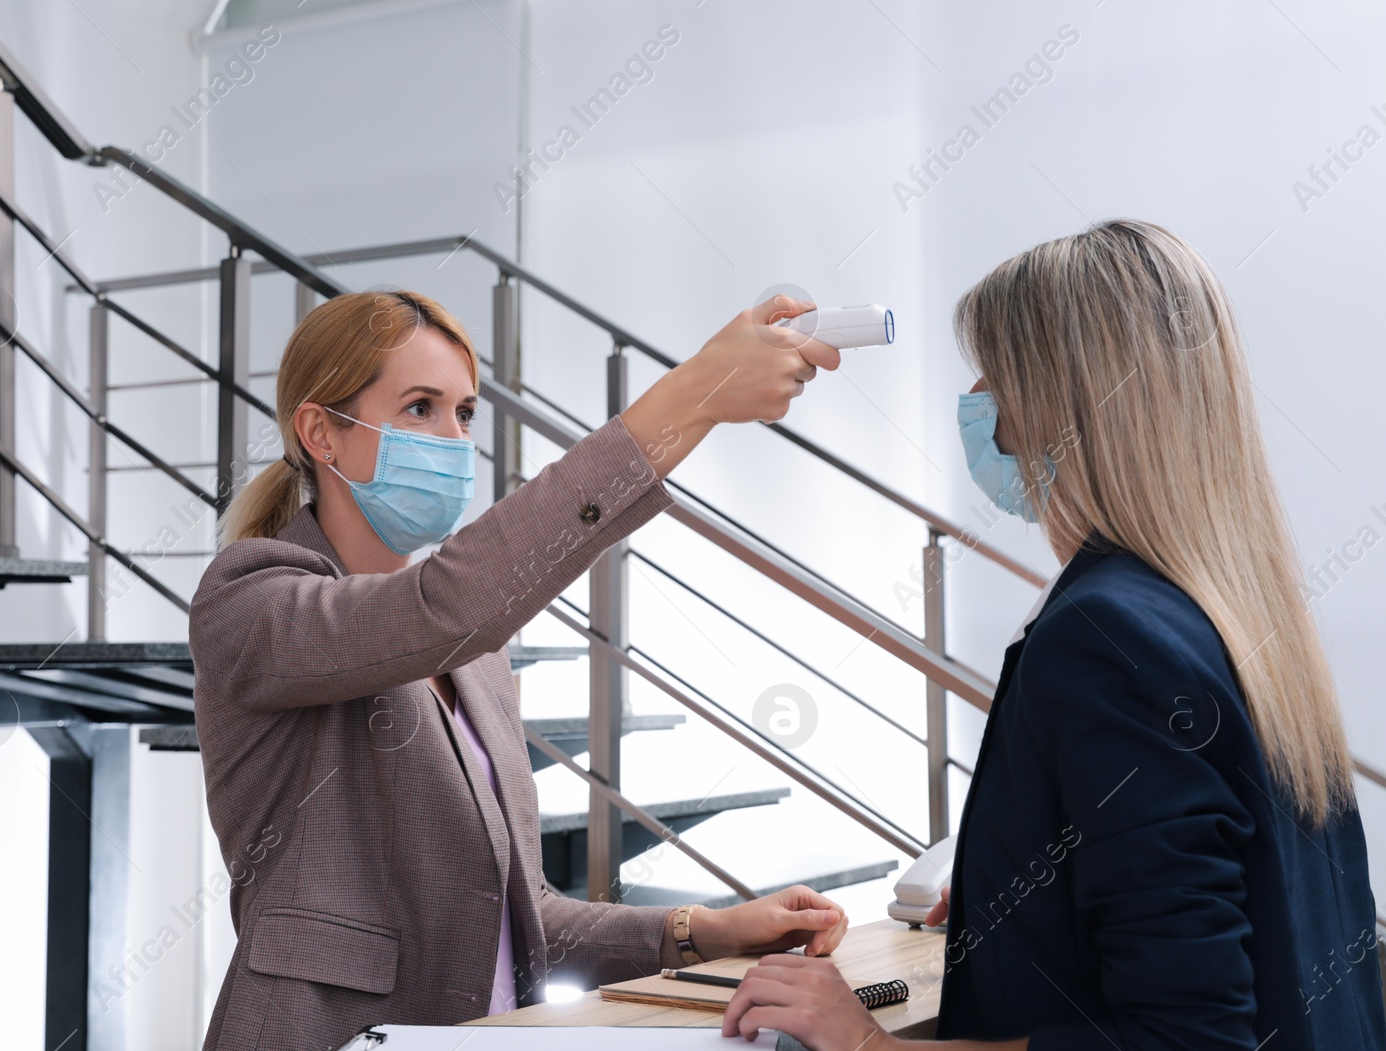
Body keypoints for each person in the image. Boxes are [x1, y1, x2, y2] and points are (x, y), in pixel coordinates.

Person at [721, 220, 1385, 1050]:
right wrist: (1030, 893)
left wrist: (869, 1045)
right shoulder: (1237, 611)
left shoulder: (1105, 636)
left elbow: (1188, 1041)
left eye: (996, 377)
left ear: (1060, 407)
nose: (978, 402)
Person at [189, 289, 853, 1050]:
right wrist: (692, 393)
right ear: (321, 434)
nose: (451, 436)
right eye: (418, 408)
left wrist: (705, 928)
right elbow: (448, 605)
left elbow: (520, 918)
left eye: (464, 412)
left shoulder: (476, 659)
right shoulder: (249, 602)